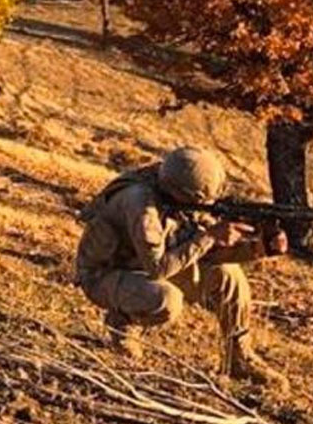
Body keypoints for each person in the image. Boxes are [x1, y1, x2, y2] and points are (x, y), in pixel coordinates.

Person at [75, 146, 289, 386]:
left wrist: (261, 247)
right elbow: (159, 268)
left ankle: (238, 358)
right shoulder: (140, 204)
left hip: (146, 262)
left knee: (230, 277)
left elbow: (205, 252)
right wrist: (209, 236)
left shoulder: (174, 192)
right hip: (106, 273)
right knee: (166, 299)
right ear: (185, 195)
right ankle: (123, 323)